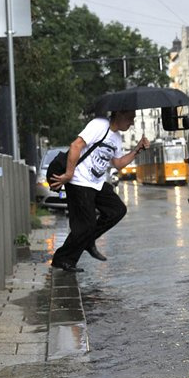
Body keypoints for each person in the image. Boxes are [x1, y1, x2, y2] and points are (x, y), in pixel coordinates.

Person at [49, 110, 149, 272]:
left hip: (96, 182)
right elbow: (76, 146)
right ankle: (63, 259)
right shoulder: (99, 125)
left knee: (117, 210)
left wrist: (137, 149)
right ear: (119, 114)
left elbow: (118, 163)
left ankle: (88, 240)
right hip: (79, 180)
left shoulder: (117, 137)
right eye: (130, 118)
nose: (131, 123)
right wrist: (69, 173)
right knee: (85, 224)